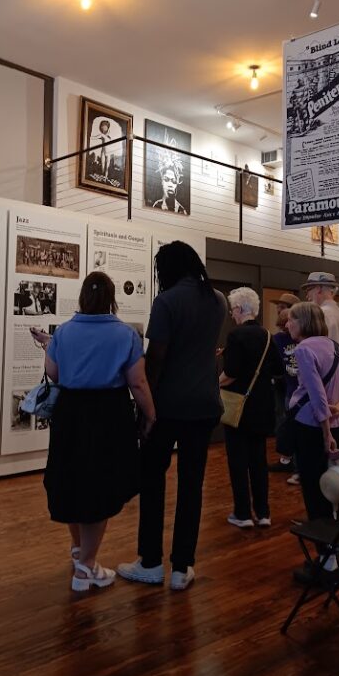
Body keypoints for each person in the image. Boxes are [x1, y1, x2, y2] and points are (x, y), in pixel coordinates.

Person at [118, 241, 226, 591]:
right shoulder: (217, 300)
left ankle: (150, 561)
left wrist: (144, 410)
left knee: (152, 482)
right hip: (205, 405)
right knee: (191, 486)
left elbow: (157, 360)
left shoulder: (166, 301)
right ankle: (182, 567)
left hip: (167, 407)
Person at [41, 271, 155, 592]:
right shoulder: (125, 334)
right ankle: (86, 568)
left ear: (82, 296)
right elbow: (137, 382)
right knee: (100, 486)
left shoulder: (64, 332)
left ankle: (80, 551)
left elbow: (54, 372)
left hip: (70, 414)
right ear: (111, 298)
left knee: (72, 480)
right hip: (109, 414)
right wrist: (151, 415)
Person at [286, 302, 339, 584]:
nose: (287, 325)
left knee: (315, 493)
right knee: (335, 493)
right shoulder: (337, 348)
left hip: (313, 429)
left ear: (303, 322)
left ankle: (327, 561)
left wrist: (325, 427)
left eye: (292, 320)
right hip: (337, 428)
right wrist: (337, 411)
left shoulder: (304, 350)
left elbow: (317, 396)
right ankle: (335, 554)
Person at [218, 287, 284, 528]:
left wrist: (214, 383)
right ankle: (264, 513)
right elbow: (278, 368)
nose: (232, 315)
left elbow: (231, 373)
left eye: (232, 310)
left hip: (239, 406)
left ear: (238, 309)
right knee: (259, 461)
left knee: (238, 461)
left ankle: (243, 513)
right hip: (262, 406)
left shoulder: (236, 336)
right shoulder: (267, 336)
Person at [301, 271, 339, 373]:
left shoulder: (318, 316)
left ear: (319, 289)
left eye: (308, 290)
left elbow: (314, 353)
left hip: (326, 380)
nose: (307, 296)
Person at [268, 292, 300, 475]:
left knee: (291, 421)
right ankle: (287, 458)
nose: (279, 310)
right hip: (284, 383)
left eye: (283, 307)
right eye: (279, 307)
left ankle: (294, 461)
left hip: (296, 386)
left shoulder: (301, 337)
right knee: (283, 420)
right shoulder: (277, 338)